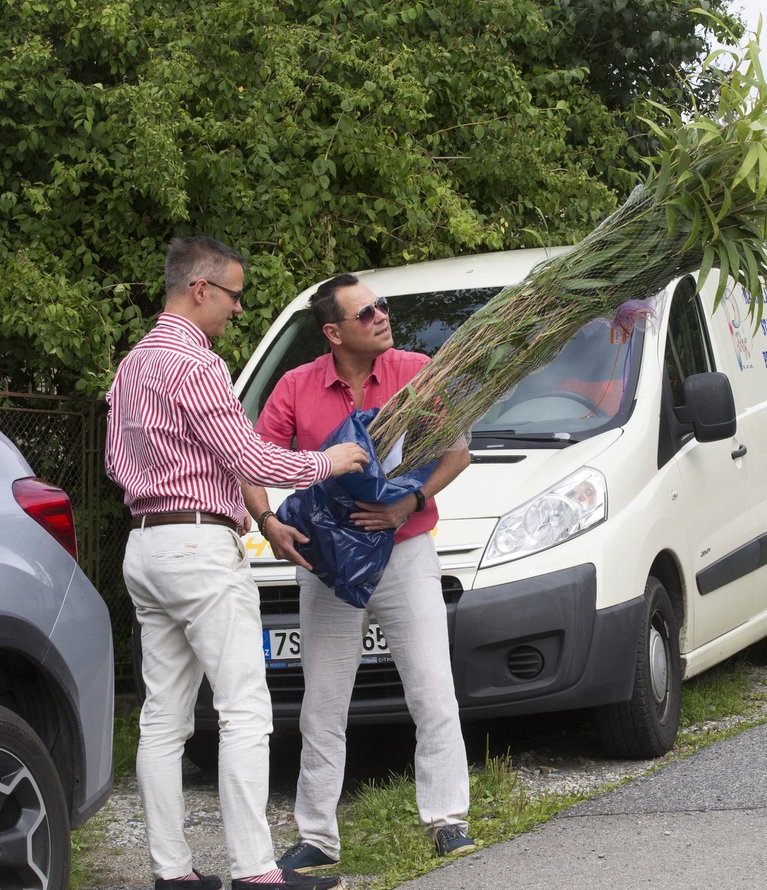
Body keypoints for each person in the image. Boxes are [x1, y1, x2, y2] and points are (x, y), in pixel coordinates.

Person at [106, 237, 369, 890]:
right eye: (232, 295)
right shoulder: (196, 366)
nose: (238, 309)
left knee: (163, 720)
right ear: (199, 289)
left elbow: (115, 462)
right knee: (245, 711)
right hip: (198, 547)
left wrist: (245, 510)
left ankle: (173, 874)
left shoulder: (133, 365)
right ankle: (256, 873)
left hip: (145, 544)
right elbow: (251, 458)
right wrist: (325, 463)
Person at [243, 273, 474, 875]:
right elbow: (248, 461)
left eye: (381, 308)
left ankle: (448, 820)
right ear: (333, 331)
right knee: (322, 701)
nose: (380, 317)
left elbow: (458, 450)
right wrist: (268, 521)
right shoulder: (296, 386)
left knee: (431, 688)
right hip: (332, 563)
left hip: (405, 550)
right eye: (365, 312)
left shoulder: (416, 370)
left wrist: (409, 502)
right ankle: (317, 836)